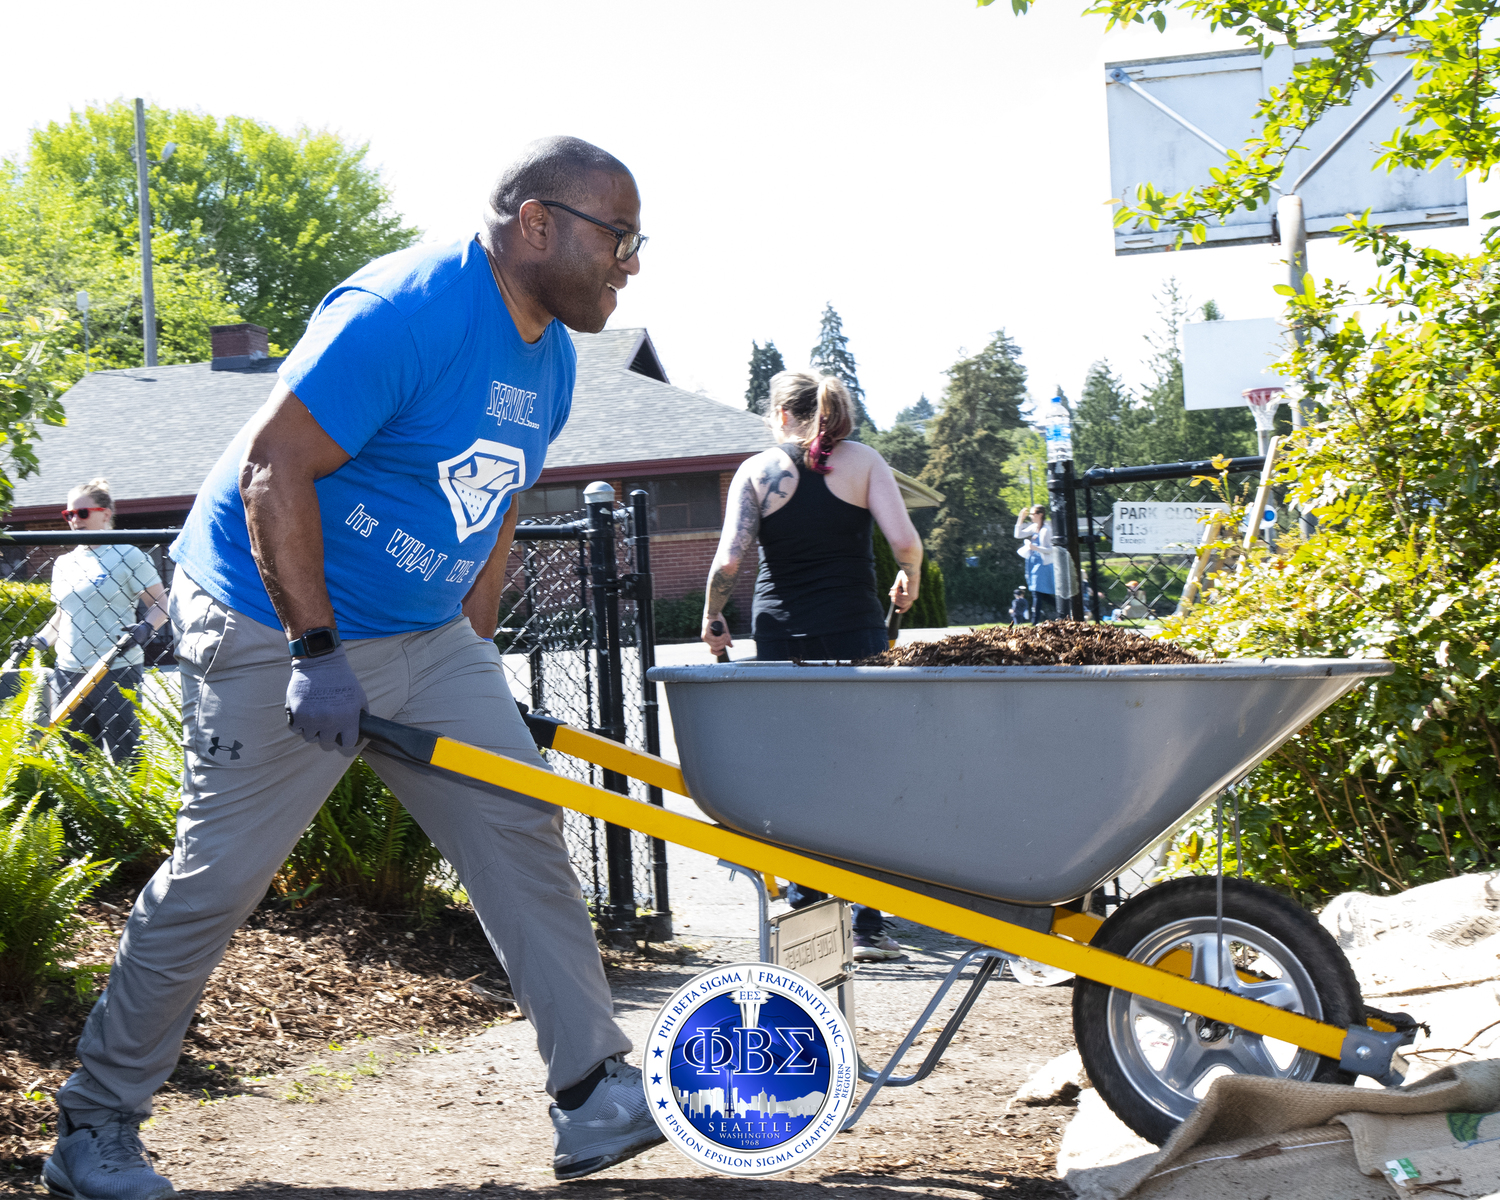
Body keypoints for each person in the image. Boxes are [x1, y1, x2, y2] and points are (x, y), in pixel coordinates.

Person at [45, 136, 660, 1200]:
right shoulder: (406, 312)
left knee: (517, 822)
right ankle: (94, 1130)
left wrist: (469, 647)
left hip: (422, 634)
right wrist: (317, 653)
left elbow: (494, 515)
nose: (631, 264)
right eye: (620, 236)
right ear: (536, 224)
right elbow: (271, 465)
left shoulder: (551, 358)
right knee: (215, 882)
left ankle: (590, 1089)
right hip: (268, 616)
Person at [700, 370, 923, 962]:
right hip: (857, 629)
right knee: (865, 766)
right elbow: (906, 543)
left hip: (782, 636)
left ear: (779, 416)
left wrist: (713, 616)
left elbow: (728, 563)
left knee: (798, 768)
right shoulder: (864, 462)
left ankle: (808, 902)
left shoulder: (757, 472)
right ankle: (870, 920)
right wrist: (911, 579)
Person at [29, 479, 168, 763]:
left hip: (114, 669)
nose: (74, 521)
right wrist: (39, 640)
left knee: (126, 757)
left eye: (82, 513)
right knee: (76, 761)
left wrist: (145, 629)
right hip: (67, 672)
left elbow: (161, 605)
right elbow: (62, 615)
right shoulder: (64, 563)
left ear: (105, 514)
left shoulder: (126, 554)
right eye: (69, 515)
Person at [1014, 505, 1056, 623]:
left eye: (1033, 514)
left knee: (1036, 593)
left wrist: (1035, 548)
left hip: (1042, 565)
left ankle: (1034, 621)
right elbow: (1018, 535)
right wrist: (1020, 519)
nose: (1031, 516)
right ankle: (1065, 610)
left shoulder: (1046, 530)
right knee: (1041, 594)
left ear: (1040, 514)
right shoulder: (1034, 527)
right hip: (1033, 563)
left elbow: (1050, 549)